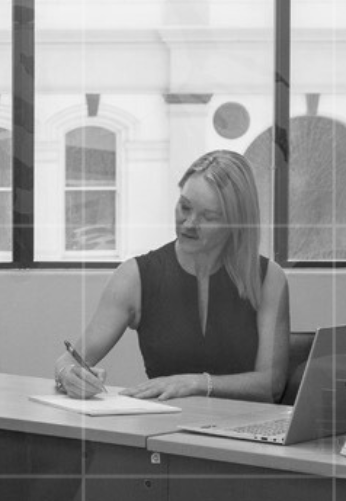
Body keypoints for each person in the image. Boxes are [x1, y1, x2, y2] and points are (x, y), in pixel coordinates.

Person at [55, 149, 291, 402]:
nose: (189, 223)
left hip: (244, 431)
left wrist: (195, 383)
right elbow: (70, 359)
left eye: (208, 217)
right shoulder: (134, 276)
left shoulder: (269, 278)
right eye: (185, 207)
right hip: (162, 430)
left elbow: (271, 383)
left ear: (237, 222)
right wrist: (69, 375)